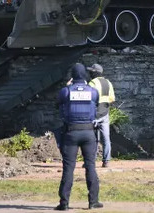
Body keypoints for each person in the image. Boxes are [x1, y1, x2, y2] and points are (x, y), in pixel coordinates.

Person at [55, 63, 103, 210]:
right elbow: (96, 106)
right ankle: (93, 202)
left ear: (73, 75)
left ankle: (64, 203)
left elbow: (58, 104)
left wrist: (67, 85)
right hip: (89, 133)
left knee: (68, 168)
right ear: (85, 75)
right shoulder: (93, 91)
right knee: (90, 166)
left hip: (71, 132)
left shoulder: (66, 91)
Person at [87, 63, 115, 168]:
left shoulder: (92, 83)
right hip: (105, 113)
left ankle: (90, 161)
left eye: (91, 71)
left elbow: (88, 98)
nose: (89, 73)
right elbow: (112, 99)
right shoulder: (108, 83)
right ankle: (106, 161)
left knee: (91, 138)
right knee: (106, 138)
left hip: (94, 113)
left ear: (94, 73)